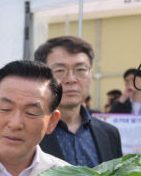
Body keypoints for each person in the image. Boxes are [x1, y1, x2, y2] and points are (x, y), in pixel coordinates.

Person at [34, 36, 122, 166]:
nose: (71, 79)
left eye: (80, 69)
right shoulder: (29, 132)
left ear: (90, 74)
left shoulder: (110, 133)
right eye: (60, 70)